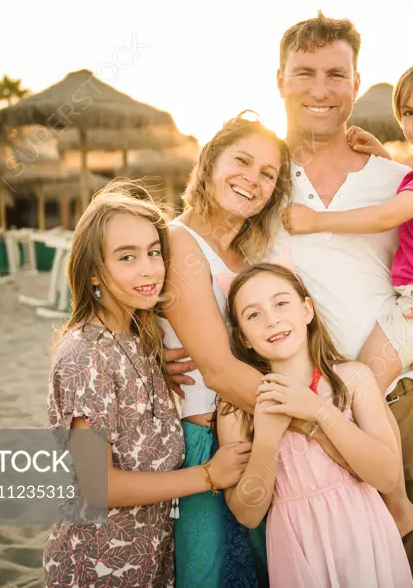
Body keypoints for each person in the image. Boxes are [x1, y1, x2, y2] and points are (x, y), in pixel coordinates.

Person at [170, 12, 413, 586]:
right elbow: (197, 259)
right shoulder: (258, 179)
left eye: (335, 74)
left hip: (400, 400)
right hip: (291, 417)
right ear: (279, 79)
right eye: (305, 72)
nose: (320, 89)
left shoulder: (400, 178)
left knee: (412, 563)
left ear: (355, 81)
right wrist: (163, 348)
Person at [42, 181, 250, 588]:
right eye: (127, 257)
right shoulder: (85, 355)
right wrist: (208, 476)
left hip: (148, 558)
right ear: (93, 274)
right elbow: (96, 483)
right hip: (96, 566)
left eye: (154, 252)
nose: (149, 269)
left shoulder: (138, 340)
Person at [157, 112, 294, 587]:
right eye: (242, 161)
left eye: (267, 174)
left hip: (261, 432)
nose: (251, 180)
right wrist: (319, 415)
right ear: (211, 161)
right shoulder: (178, 241)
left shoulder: (251, 259)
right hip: (207, 444)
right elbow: (216, 370)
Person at [217, 262, 413, 588]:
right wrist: (266, 439)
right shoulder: (237, 408)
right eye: (253, 315)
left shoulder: (352, 380)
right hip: (297, 547)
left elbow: (386, 475)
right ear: (244, 338)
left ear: (307, 309)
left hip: (364, 534)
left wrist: (321, 412)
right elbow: (248, 514)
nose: (272, 319)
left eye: (281, 303)